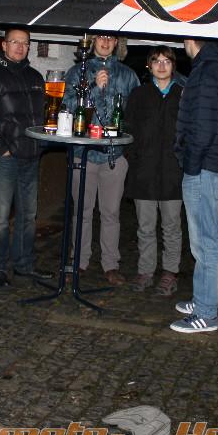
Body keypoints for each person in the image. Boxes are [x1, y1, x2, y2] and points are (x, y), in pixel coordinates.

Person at [171, 39, 218, 333]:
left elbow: (201, 128)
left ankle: (206, 313)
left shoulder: (207, 71)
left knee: (206, 241)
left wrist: (190, 166)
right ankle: (202, 299)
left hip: (206, 168)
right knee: (205, 239)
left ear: (190, 40)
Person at [0, 28, 54, 286]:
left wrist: (43, 141)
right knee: (0, 216)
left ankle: (24, 264)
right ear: (4, 45)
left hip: (31, 154)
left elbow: (42, 114)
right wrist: (2, 148)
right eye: (15, 42)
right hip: (5, 157)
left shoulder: (35, 77)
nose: (20, 47)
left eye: (25, 43)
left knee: (28, 215)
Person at [64, 34, 140, 285]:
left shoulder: (128, 75)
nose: (106, 42)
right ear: (92, 41)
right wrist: (94, 87)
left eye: (111, 38)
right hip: (83, 153)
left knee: (111, 213)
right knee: (82, 212)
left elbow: (138, 113)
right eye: (101, 37)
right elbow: (67, 107)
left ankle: (110, 264)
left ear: (117, 43)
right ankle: (79, 261)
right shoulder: (77, 72)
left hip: (114, 155)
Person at [124, 46, 185, 295]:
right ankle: (146, 271)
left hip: (173, 173)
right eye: (156, 61)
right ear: (149, 66)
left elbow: (189, 132)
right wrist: (135, 159)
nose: (161, 66)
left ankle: (170, 272)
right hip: (144, 173)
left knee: (171, 226)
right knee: (145, 226)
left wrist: (183, 160)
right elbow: (128, 128)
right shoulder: (139, 94)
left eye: (166, 61)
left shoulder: (183, 95)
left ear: (173, 66)